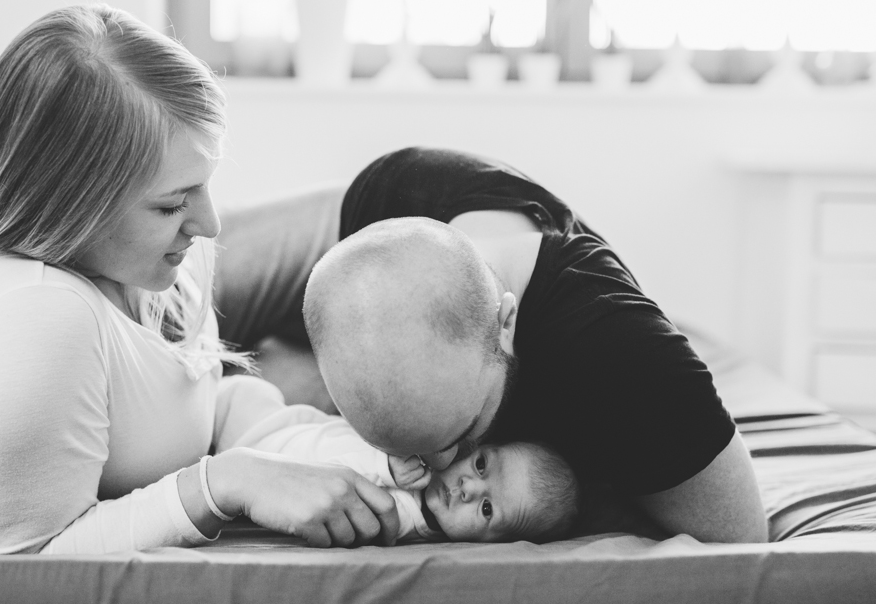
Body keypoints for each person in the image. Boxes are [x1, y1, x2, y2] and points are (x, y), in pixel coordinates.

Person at [0, 4, 400, 555]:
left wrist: (379, 465)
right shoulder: (39, 320)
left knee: (374, 235)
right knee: (372, 225)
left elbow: (210, 401)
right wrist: (223, 484)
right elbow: (34, 555)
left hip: (209, 384)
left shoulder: (121, 263)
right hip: (166, 386)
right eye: (170, 206)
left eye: (203, 185)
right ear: (71, 206)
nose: (210, 224)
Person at [217, 147, 768, 544]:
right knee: (157, 300)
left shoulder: (620, 360)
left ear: (505, 325)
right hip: (372, 209)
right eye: (398, 446)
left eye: (459, 436)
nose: (431, 470)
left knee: (203, 410)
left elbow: (743, 540)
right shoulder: (398, 197)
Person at [226, 380, 579, 543]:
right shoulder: (429, 447)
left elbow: (326, 481)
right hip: (269, 415)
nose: (468, 488)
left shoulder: (400, 518)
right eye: (482, 465)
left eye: (487, 509)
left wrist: (383, 467)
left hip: (246, 441)